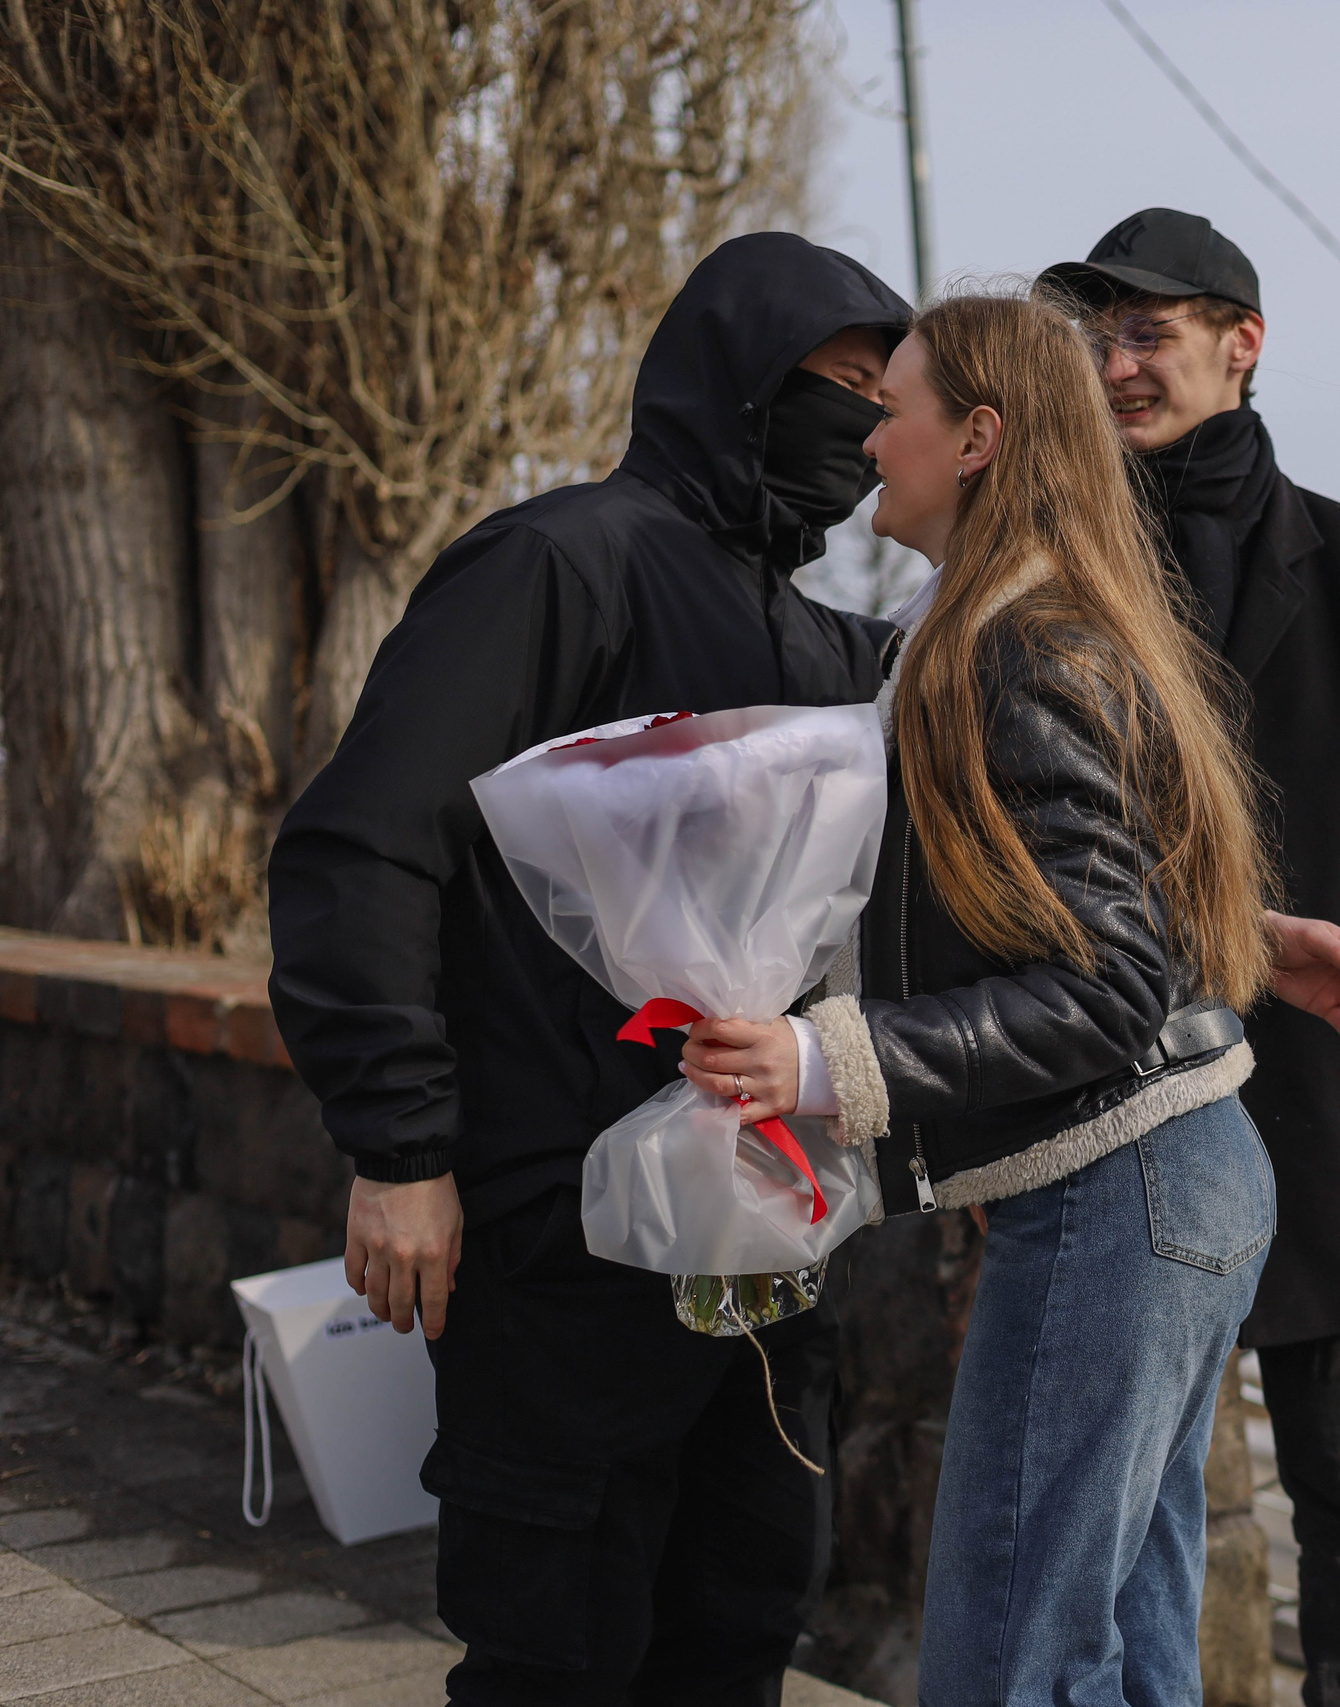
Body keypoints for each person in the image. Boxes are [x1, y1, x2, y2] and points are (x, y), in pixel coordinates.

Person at [679, 289, 1340, 1706]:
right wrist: (1242, 939)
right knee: (1122, 1657)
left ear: (978, 437)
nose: (871, 439)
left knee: (1011, 1664)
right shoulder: (1024, 621)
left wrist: (826, 1061)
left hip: (1122, 1190)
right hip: (1170, 1180)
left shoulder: (1010, 646)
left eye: (897, 408)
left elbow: (1102, 987)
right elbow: (1093, 897)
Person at [266, 232, 911, 1705]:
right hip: (558, 1227)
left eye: (896, 402)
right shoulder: (558, 562)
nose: (873, 432)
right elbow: (363, 849)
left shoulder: (831, 645)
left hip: (765, 1239)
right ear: (747, 379)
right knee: (555, 1645)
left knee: (739, 1626)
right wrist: (400, 1148)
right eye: (849, 387)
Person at [1038, 210, 1340, 1707]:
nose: (1117, 363)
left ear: (1243, 344)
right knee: (1135, 1483)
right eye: (1098, 336)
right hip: (1119, 1089)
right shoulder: (1059, 568)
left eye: (1149, 332)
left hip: (1321, 1096)